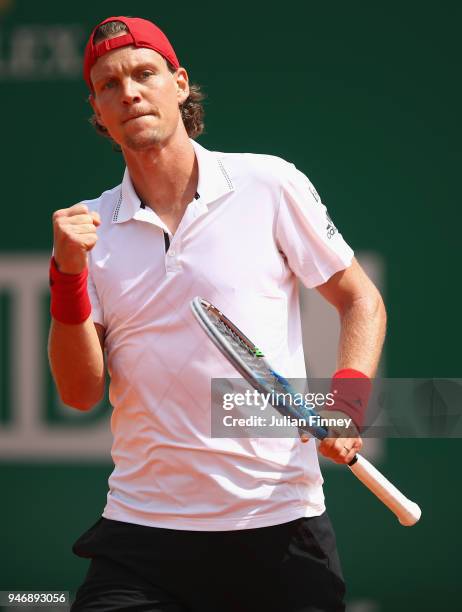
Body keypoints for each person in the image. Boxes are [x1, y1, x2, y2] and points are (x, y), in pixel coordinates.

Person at [48, 15, 386, 612]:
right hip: (141, 534)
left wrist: (349, 404)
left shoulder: (268, 184)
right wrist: (68, 275)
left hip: (280, 525)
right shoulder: (87, 228)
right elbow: (79, 392)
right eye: (108, 85)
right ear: (97, 112)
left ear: (179, 84)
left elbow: (360, 298)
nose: (128, 92)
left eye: (144, 74)